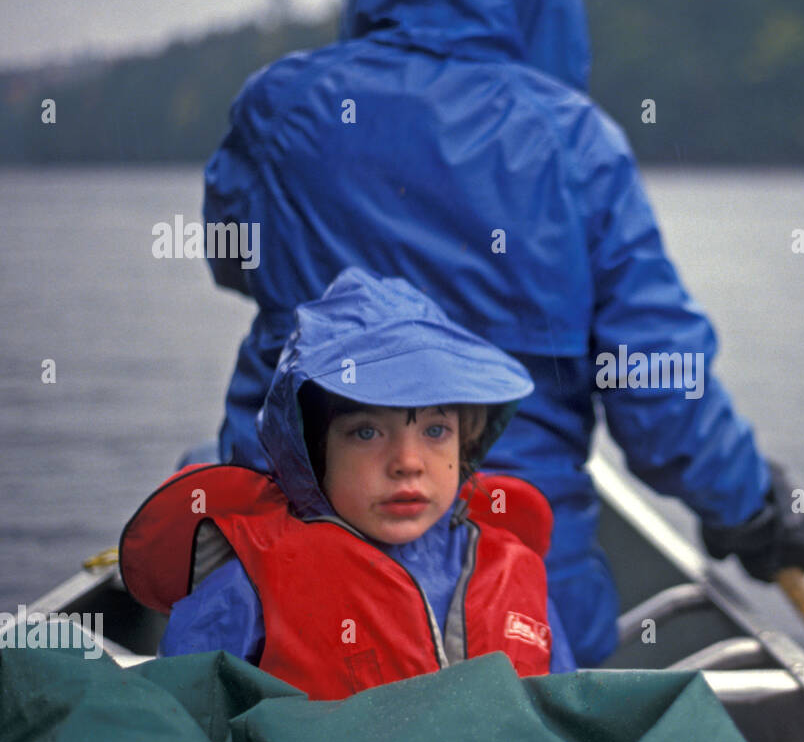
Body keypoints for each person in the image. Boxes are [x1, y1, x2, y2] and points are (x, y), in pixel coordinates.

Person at [202, 0, 804, 667]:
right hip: (510, 586)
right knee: (555, 602)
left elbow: (235, 262)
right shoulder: (577, 143)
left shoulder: (279, 110)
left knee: (214, 492)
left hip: (288, 572)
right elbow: (656, 382)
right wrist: (748, 504)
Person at [120, 268, 576, 700]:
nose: (408, 463)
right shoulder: (249, 584)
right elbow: (187, 733)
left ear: (466, 443)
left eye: (436, 431)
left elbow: (563, 722)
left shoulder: (515, 570)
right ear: (311, 450)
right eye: (367, 432)